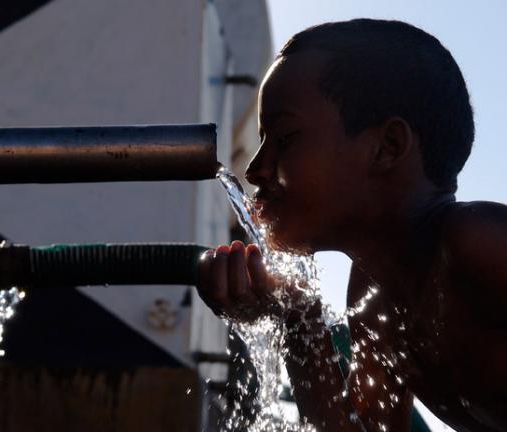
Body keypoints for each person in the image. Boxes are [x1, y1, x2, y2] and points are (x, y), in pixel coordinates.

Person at [197, 19, 507, 432]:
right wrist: (297, 316)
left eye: (284, 138)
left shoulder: (478, 242)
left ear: (386, 148)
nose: (255, 170)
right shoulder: (374, 296)